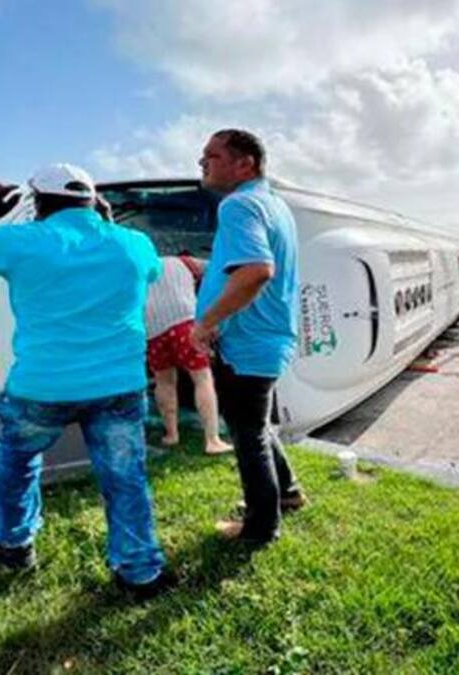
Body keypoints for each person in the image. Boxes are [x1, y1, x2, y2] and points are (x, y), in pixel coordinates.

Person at [0, 165, 177, 599]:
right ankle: (140, 570)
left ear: (38, 202)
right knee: (125, 476)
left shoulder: (18, 241)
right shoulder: (134, 244)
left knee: (17, 461)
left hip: (43, 387)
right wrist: (105, 224)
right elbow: (146, 273)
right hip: (119, 386)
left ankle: (14, 543)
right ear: (94, 202)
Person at [190, 129, 306, 545]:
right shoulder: (273, 204)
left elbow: (256, 271)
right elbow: (248, 266)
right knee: (257, 426)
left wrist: (206, 323)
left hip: (248, 343)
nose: (202, 163)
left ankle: (261, 528)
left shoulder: (239, 204)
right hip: (269, 338)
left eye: (212, 156)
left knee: (248, 435)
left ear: (246, 164)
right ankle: (288, 494)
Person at [146, 255, 232, 455]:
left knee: (164, 381)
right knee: (202, 378)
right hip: (184, 321)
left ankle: (171, 434)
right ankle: (212, 440)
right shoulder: (184, 262)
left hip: (153, 328)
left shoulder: (144, 268)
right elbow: (217, 271)